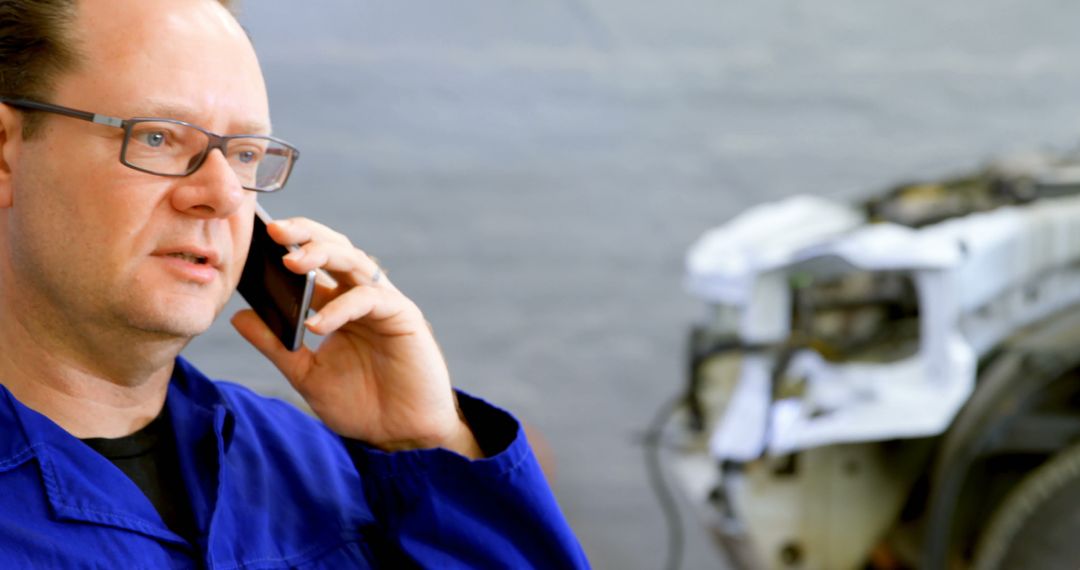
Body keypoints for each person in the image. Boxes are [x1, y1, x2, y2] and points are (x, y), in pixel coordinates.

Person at [0, 0, 590, 567]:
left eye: (245, 153)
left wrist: (428, 446)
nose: (226, 194)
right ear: (6, 154)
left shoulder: (320, 467)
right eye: (157, 137)